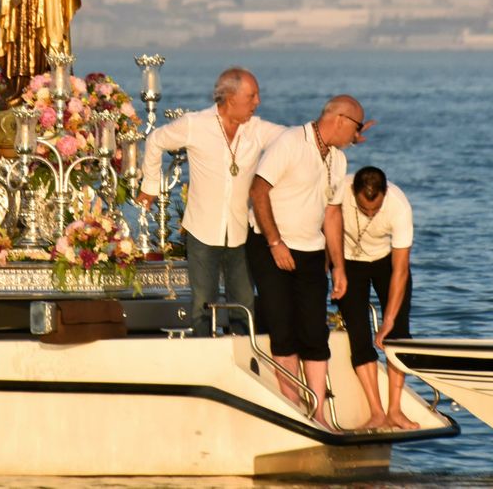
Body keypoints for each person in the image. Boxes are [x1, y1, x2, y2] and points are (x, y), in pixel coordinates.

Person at [247, 95, 371, 428]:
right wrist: (275, 243)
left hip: (312, 251)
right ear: (341, 119)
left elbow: (332, 214)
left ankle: (318, 413)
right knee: (283, 328)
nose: (357, 137)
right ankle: (292, 406)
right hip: (269, 244)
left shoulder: (338, 160)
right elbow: (258, 191)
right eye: (356, 128)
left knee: (316, 332)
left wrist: (339, 267)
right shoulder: (290, 142)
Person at [138, 67, 284, 336]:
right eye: (252, 96)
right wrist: (149, 187)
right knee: (202, 303)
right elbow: (156, 139)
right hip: (202, 228)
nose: (257, 102)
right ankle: (204, 353)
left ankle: (245, 352)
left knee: (244, 301)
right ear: (230, 98)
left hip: (241, 229)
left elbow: (293, 140)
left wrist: (333, 132)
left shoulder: (257, 129)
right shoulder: (196, 124)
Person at [334, 166, 418, 430]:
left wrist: (388, 320)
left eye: (375, 209)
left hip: (387, 262)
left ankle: (395, 410)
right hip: (348, 260)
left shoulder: (399, 206)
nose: (370, 213)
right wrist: (335, 269)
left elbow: (401, 268)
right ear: (354, 193)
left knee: (398, 335)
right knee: (359, 334)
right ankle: (376, 412)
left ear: (385, 193)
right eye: (364, 209)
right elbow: (327, 229)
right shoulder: (340, 191)